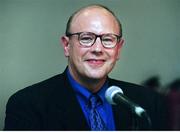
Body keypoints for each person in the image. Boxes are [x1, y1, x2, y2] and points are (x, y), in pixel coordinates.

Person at [4, 4, 169, 130]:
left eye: (108, 39)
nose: (97, 49)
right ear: (67, 46)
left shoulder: (148, 104)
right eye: (86, 38)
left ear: (118, 49)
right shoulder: (27, 105)